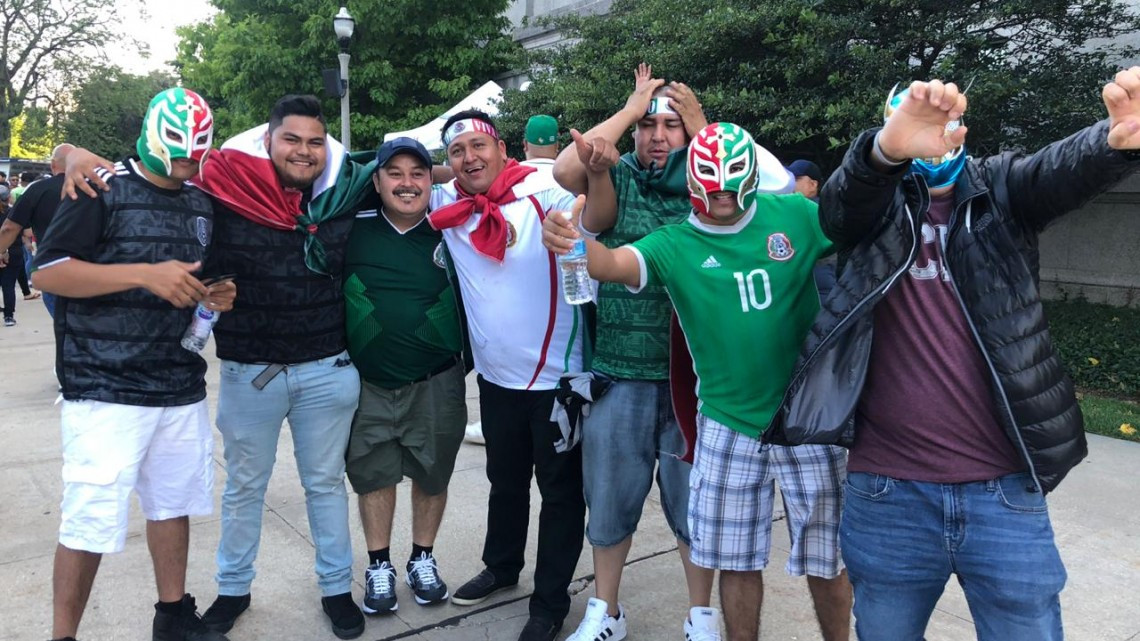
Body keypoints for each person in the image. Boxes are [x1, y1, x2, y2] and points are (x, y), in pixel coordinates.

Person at [768, 72, 1140, 641]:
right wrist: (884, 152)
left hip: (1005, 492)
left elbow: (1059, 168)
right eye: (913, 125)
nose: (934, 136)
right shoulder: (875, 208)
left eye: (946, 123)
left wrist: (1112, 140)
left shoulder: (1001, 188)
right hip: (888, 494)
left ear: (963, 128)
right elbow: (840, 208)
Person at [59, 94, 377, 640]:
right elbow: (148, 173)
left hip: (326, 368)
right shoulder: (225, 190)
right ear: (268, 141)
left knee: (325, 484)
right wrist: (69, 151)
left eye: (315, 142)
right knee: (244, 488)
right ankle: (232, 588)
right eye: (291, 139)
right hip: (249, 371)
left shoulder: (342, 193)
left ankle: (335, 589)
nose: (303, 151)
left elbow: (409, 173)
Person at [546, 122, 851, 641]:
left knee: (828, 559)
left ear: (751, 178)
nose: (722, 198)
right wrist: (572, 243)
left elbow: (862, 228)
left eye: (732, 186)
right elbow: (612, 262)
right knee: (736, 559)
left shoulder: (794, 214)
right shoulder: (676, 242)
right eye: (711, 187)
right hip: (728, 422)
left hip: (808, 416)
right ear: (692, 183)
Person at [30, 88, 235, 641]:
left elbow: (197, 275)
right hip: (105, 385)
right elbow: (47, 271)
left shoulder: (200, 202)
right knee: (89, 519)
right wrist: (143, 274)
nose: (188, 160)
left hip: (177, 381)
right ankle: (64, 635)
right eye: (179, 148)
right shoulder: (102, 187)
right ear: (152, 135)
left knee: (172, 504)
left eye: (197, 150)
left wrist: (214, 293)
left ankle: (173, 615)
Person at [547, 63, 725, 641]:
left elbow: (750, 182)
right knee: (609, 499)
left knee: (693, 504)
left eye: (671, 125)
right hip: (619, 371)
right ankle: (606, 611)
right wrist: (629, 109)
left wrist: (702, 125)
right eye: (649, 126)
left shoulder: (711, 187)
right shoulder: (619, 175)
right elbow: (567, 167)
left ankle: (701, 615)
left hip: (693, 380)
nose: (657, 136)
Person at [428, 108, 586, 641]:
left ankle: (549, 603)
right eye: (457, 151)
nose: (469, 157)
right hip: (496, 381)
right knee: (505, 481)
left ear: (501, 149)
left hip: (558, 382)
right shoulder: (447, 203)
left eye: (478, 145)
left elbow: (592, 203)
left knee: (560, 495)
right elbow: (391, 174)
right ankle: (501, 567)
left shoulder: (544, 189)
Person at [343, 137, 468, 616]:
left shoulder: (452, 227)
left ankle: (422, 558)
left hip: (436, 379)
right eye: (394, 173)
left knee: (433, 472)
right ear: (375, 182)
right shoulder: (350, 224)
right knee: (373, 474)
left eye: (418, 173)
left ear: (431, 181)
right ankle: (379, 565)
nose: (407, 183)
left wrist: (445, 175)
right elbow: (337, 169)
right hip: (366, 382)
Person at [1, 143, 76, 317]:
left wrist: (2, 251)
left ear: (53, 164)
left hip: (53, 266)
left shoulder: (38, 189)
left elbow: (9, 227)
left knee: (63, 322)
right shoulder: (95, 188)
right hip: (92, 267)